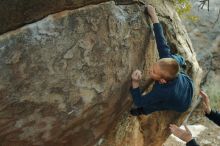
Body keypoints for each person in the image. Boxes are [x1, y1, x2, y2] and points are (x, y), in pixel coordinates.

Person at [130, 5, 194, 116]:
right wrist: (153, 15)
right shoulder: (167, 59)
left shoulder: (161, 92)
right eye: (154, 67)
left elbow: (139, 101)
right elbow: (161, 40)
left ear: (162, 81)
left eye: (154, 72)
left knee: (158, 104)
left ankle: (142, 112)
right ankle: (181, 61)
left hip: (181, 103)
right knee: (175, 59)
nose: (150, 70)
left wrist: (135, 83)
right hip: (187, 83)